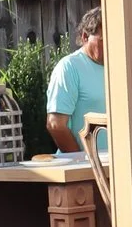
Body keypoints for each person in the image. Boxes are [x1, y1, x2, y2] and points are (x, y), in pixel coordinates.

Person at [45, 9, 107, 153]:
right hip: (86, 170)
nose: (111, 45)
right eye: (104, 40)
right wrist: (83, 163)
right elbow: (55, 125)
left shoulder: (121, 69)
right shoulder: (69, 67)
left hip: (120, 169)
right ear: (85, 37)